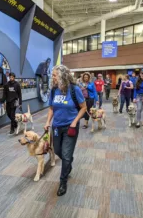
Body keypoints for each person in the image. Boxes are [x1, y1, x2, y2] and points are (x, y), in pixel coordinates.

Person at [44, 65, 86, 196]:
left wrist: (74, 122)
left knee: (66, 154)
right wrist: (47, 122)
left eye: (55, 75)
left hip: (70, 127)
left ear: (63, 76)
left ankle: (63, 182)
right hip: (56, 126)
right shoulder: (54, 90)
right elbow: (51, 108)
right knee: (57, 151)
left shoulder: (74, 90)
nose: (53, 77)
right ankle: (68, 163)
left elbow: (83, 108)